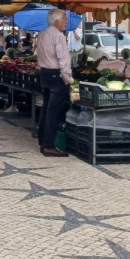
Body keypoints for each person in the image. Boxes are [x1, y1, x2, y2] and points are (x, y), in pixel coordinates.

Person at [36, 9, 73, 158]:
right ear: (57, 21)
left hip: (44, 73)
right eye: (64, 18)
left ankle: (43, 142)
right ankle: (50, 145)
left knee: (46, 109)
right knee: (53, 111)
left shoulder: (42, 34)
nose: (66, 21)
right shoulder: (58, 36)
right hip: (55, 75)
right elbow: (63, 59)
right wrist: (68, 78)